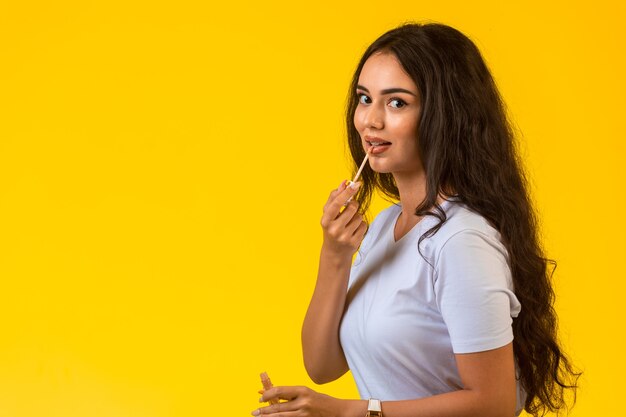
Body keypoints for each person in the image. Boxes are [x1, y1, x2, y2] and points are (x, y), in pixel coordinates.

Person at [251, 22, 579, 417]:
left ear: (444, 115)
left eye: (397, 103)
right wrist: (334, 256)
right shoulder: (385, 229)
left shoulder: (461, 240)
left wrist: (350, 412)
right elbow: (323, 366)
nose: (369, 121)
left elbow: (493, 404)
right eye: (364, 98)